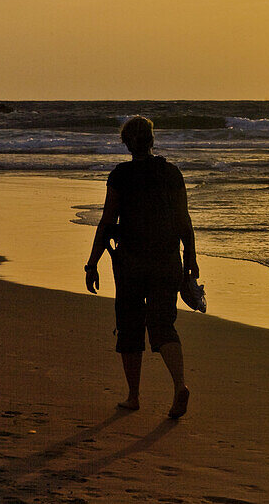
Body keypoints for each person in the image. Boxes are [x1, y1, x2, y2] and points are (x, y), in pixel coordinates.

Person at [84, 115, 199, 419]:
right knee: (163, 325)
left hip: (131, 263)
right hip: (167, 260)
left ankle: (133, 397)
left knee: (130, 327)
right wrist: (191, 260)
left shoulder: (121, 175)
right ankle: (179, 386)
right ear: (152, 140)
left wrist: (92, 263)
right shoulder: (171, 173)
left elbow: (108, 222)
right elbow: (184, 222)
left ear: (126, 144)